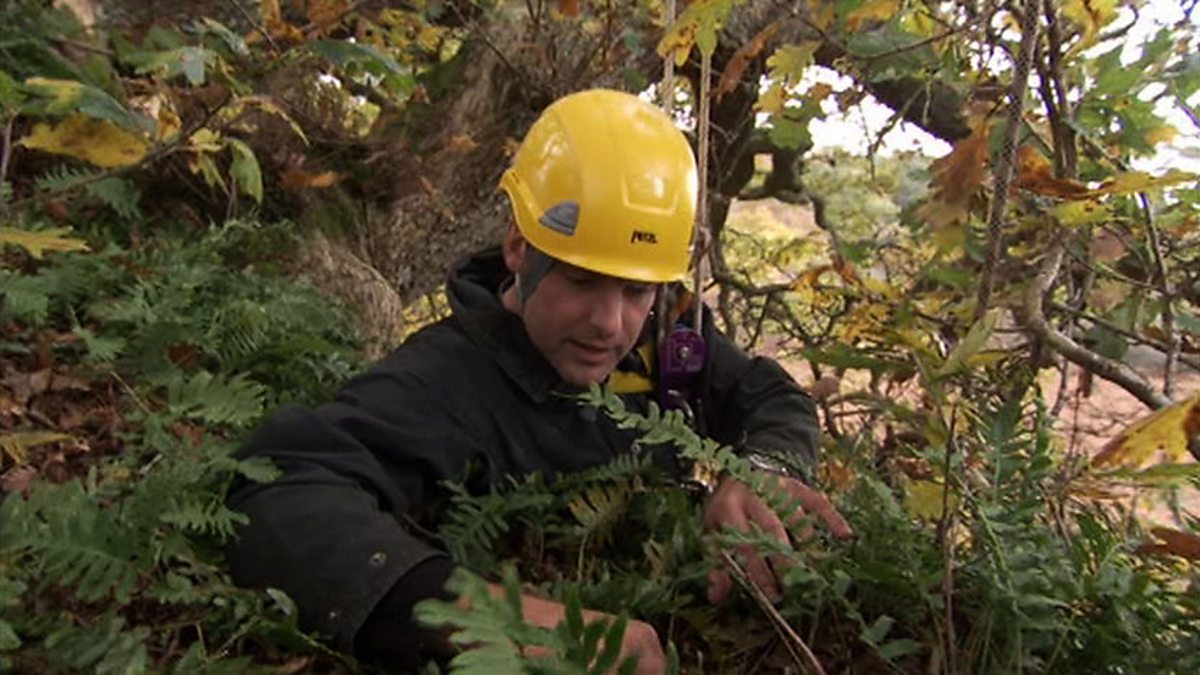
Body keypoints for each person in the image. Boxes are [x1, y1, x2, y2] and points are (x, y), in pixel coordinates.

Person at [226, 89, 852, 673]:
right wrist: (495, 620)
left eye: (636, 290)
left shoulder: (669, 337)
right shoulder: (441, 382)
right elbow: (279, 496)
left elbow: (769, 395)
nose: (610, 323)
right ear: (519, 248)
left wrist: (763, 470)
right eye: (581, 280)